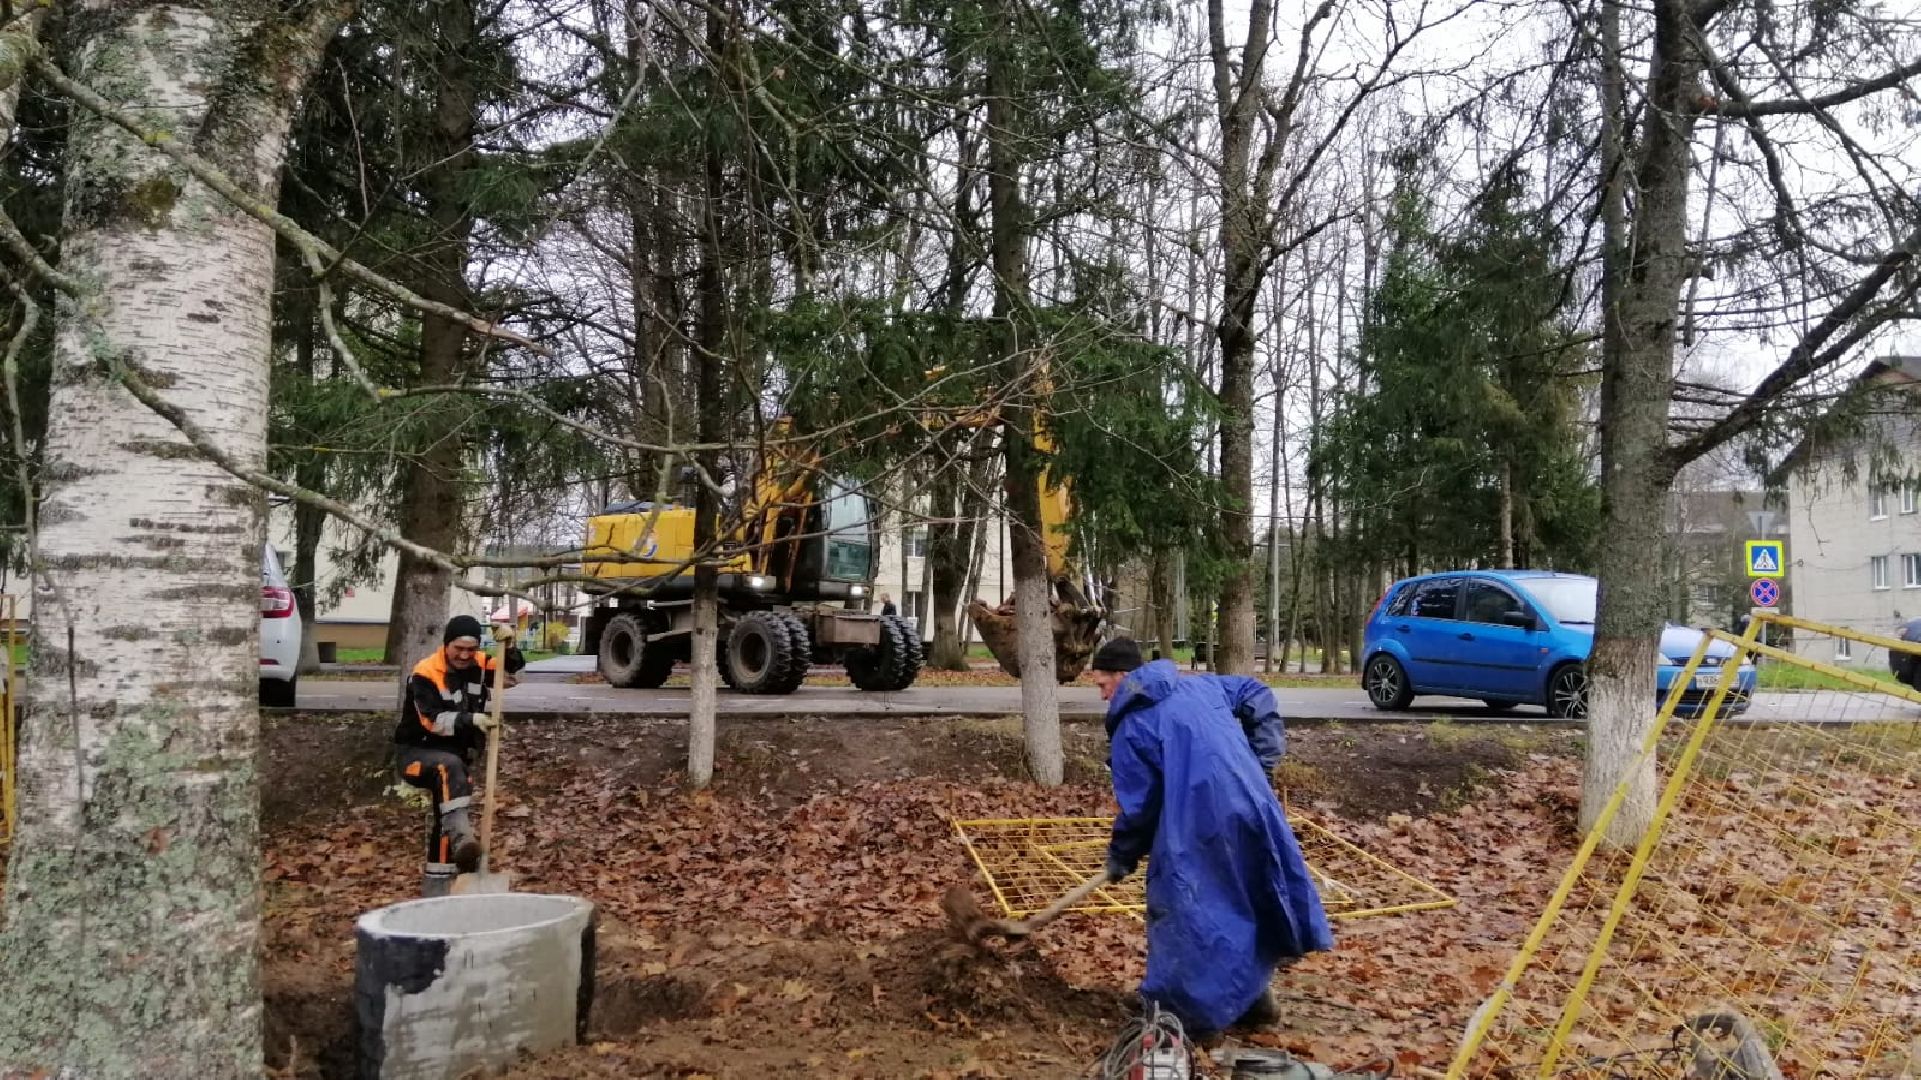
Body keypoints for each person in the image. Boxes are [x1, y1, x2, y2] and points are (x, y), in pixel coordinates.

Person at [1089, 637, 1332, 1040]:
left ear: (1125, 677)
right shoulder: (1201, 685)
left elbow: (1140, 809)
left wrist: (1122, 854)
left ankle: (1188, 1019)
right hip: (1253, 806)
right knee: (1247, 898)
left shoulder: (1132, 727)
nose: (1101, 695)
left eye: (1102, 685)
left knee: (1187, 910)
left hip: (1198, 826)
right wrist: (1261, 764)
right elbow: (1257, 693)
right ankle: (1254, 999)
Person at [395, 614, 526, 897]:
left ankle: (439, 886)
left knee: (449, 810)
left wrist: (510, 646)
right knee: (448, 771)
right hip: (417, 754)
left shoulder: (479, 664)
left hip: (456, 759)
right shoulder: (426, 673)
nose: (465, 655)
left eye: (471, 649)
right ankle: (464, 841)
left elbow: (510, 675)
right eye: (459, 649)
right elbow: (432, 721)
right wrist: (472, 720)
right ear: (446, 645)